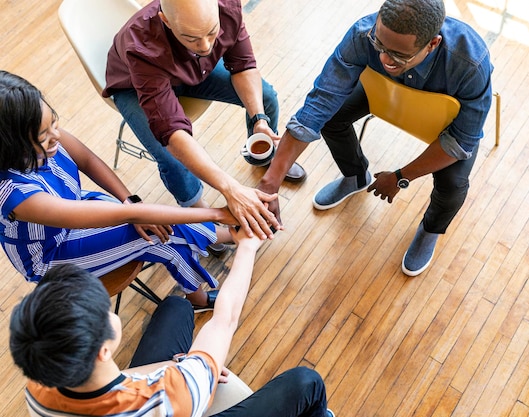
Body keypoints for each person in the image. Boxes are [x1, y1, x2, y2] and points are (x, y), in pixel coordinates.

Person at [258, 0, 493, 276]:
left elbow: (460, 142)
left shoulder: (470, 62)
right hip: (386, 96)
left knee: (453, 183)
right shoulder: (363, 33)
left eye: (398, 55)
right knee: (331, 118)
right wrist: (270, 180)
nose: (384, 59)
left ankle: (430, 228)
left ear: (432, 44)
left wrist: (399, 177)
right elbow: (319, 103)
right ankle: (356, 176)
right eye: (379, 45)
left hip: (447, 128)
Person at [0, 70, 254, 310]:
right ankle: (232, 235)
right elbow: (128, 216)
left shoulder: (43, 131)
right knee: (155, 230)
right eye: (44, 136)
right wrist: (217, 213)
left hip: (78, 207)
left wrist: (129, 200)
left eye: (54, 123)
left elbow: (88, 161)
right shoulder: (14, 194)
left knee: (158, 229)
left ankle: (221, 253)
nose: (56, 135)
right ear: (11, 144)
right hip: (51, 256)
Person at [9, 259, 335, 415]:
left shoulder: (40, 381)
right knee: (306, 383)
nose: (111, 313)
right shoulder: (164, 399)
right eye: (106, 312)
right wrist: (249, 244)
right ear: (103, 350)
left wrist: (176, 365)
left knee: (176, 308)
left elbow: (113, 384)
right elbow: (225, 319)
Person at [103, 0, 304, 240]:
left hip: (190, 70)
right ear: (166, 21)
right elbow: (173, 135)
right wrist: (231, 189)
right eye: (192, 38)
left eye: (212, 32)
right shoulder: (142, 48)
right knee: (171, 157)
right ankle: (202, 221)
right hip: (134, 87)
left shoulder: (227, 8)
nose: (206, 46)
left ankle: (262, 153)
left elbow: (243, 65)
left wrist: (259, 118)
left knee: (266, 97)